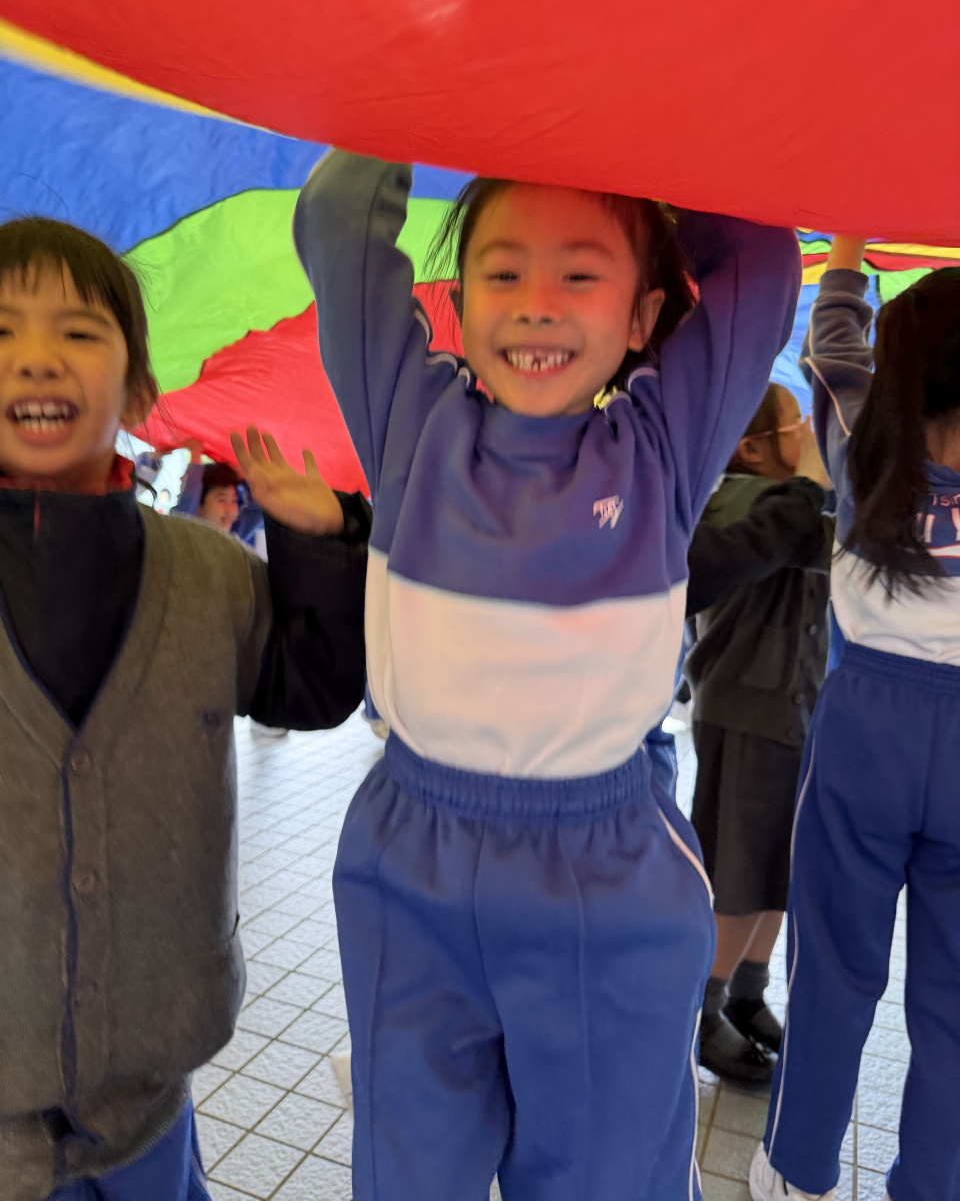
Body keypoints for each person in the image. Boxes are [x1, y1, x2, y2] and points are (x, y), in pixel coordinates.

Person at [294, 150, 801, 1201]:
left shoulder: (661, 447)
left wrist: (634, 124)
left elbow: (758, 268)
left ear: (643, 313)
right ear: (459, 299)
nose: (537, 304)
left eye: (579, 274)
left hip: (604, 872)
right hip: (413, 863)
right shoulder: (411, 423)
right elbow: (339, 217)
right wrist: (447, 86)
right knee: (409, 1168)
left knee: (606, 1174)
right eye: (503, 272)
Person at [0, 217, 371, 1201]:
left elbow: (310, 687)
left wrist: (323, 542)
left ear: (139, 391)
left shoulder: (207, 573)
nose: (36, 356)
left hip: (152, 1072)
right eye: (1, 332)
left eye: (78, 331)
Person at [750, 240, 960, 1201]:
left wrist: (846, 248)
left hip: (867, 723)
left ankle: (797, 1170)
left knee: (833, 966)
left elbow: (832, 344)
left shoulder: (860, 443)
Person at [681, 384, 832, 1086]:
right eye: (796, 423)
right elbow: (808, 535)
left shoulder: (791, 503)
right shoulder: (738, 502)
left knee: (776, 867)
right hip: (746, 712)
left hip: (789, 712)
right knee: (736, 874)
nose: (809, 434)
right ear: (751, 448)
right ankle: (703, 1010)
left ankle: (747, 993)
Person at [172, 440, 266, 556]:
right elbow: (186, 507)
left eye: (234, 500)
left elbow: (259, 509)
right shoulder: (180, 536)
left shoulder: (232, 536)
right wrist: (195, 456)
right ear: (198, 506)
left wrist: (243, 479)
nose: (231, 510)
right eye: (222, 500)